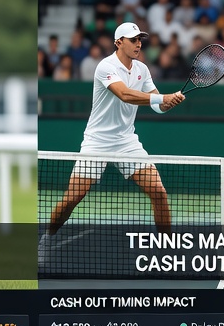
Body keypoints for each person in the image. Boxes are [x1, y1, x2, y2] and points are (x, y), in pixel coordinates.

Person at [45, 22, 185, 239]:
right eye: (133, 40)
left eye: (140, 40)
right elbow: (125, 94)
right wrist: (161, 98)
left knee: (158, 192)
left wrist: (169, 101)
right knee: (72, 198)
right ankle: (46, 239)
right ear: (119, 42)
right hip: (97, 142)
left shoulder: (142, 69)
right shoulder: (105, 66)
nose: (138, 44)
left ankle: (167, 247)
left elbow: (158, 106)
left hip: (127, 142)